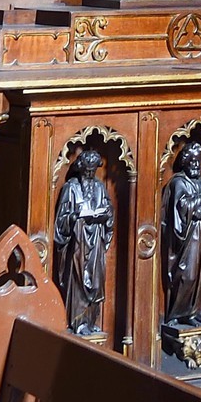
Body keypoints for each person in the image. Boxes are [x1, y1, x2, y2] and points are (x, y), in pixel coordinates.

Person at [53, 140, 115, 337]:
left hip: (95, 241)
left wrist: (103, 216)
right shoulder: (71, 188)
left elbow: (108, 211)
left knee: (96, 282)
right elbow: (62, 220)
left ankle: (91, 319)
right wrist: (75, 215)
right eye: (86, 171)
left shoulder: (99, 187)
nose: (89, 175)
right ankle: (78, 322)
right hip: (78, 244)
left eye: (92, 171)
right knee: (79, 282)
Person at [161, 140, 201, 327]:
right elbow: (182, 207)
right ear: (185, 162)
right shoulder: (178, 183)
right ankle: (176, 313)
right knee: (187, 274)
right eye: (192, 161)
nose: (196, 165)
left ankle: (191, 312)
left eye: (198, 161)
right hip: (187, 237)